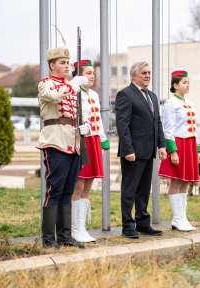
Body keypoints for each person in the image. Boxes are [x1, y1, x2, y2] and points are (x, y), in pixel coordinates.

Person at [37, 47, 90, 248]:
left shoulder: (70, 85)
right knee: (54, 190)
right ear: (52, 65)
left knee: (68, 190)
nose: (66, 66)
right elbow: (53, 97)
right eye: (61, 62)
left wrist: (81, 126)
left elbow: (72, 112)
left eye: (68, 63)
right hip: (56, 140)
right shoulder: (46, 84)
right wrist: (73, 86)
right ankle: (49, 239)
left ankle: (65, 236)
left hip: (73, 142)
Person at [115, 61, 167, 239]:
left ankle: (143, 223)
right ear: (134, 75)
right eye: (144, 73)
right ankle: (128, 226)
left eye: (149, 73)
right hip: (133, 152)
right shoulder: (125, 94)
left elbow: (157, 122)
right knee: (130, 189)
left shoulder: (152, 96)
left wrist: (161, 145)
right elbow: (122, 125)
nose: (147, 76)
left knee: (144, 189)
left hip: (149, 150)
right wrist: (128, 150)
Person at [71, 59, 110, 243]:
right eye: (87, 73)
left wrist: (103, 140)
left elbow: (98, 120)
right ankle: (74, 228)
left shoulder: (93, 94)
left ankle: (82, 227)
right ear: (78, 75)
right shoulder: (74, 92)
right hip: (82, 141)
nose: (92, 76)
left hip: (94, 140)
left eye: (93, 72)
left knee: (88, 186)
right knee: (78, 185)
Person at [158, 69, 200, 232]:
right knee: (177, 180)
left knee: (186, 181)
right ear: (175, 85)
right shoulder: (170, 103)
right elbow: (168, 129)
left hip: (189, 145)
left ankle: (183, 217)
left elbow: (194, 128)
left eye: (188, 82)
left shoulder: (190, 102)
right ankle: (177, 218)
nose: (187, 84)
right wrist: (173, 151)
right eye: (184, 82)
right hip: (178, 145)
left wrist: (197, 149)